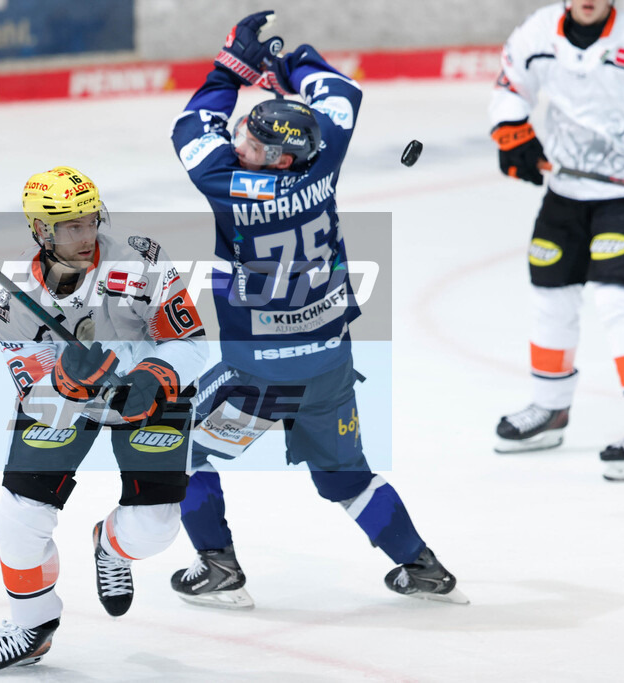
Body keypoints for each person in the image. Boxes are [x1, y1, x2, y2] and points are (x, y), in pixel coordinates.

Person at [168, 11, 465, 609]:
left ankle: (219, 567)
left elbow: (191, 123)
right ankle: (421, 567)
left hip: (258, 376)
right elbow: (342, 92)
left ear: (279, 161)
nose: (238, 140)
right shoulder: (322, 160)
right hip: (328, 364)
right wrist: (295, 64)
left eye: (253, 141)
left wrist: (234, 67)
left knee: (173, 444)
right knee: (345, 476)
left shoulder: (228, 181)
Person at [0, 166, 207, 671]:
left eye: (90, 220)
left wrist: (156, 376)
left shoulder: (140, 261)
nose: (86, 234)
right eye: (70, 225)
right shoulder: (15, 301)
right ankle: (32, 624)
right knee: (19, 515)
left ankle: (111, 546)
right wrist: (66, 383)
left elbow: (188, 341)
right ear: (41, 230)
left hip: (146, 389)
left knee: (155, 529)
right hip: (69, 403)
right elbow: (32, 385)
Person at [490, 0, 624, 481]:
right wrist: (512, 133)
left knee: (618, 302)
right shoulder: (538, 32)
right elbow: (511, 84)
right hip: (566, 190)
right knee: (550, 296)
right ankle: (551, 409)